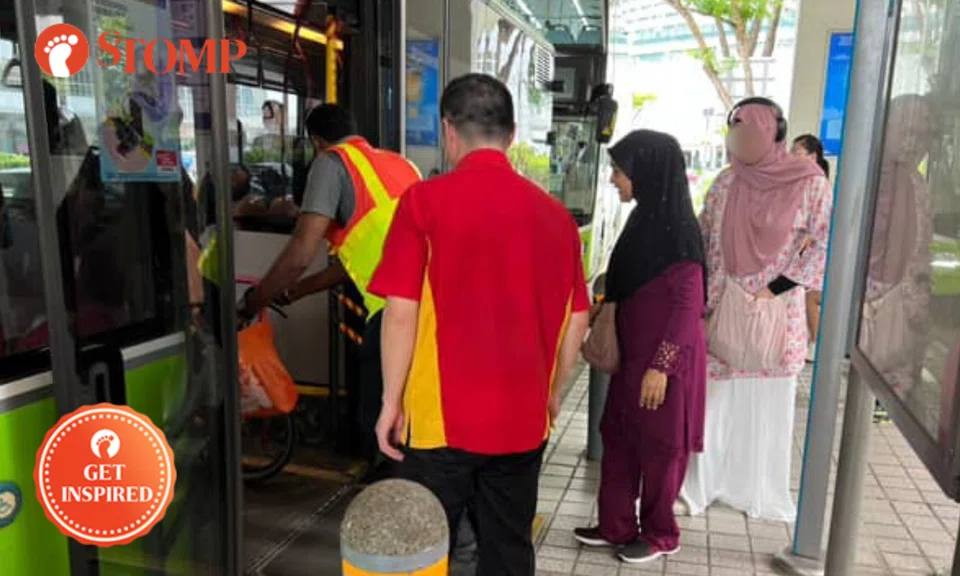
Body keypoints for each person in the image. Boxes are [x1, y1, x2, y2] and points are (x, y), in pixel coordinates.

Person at [368, 73, 590, 576]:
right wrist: (551, 394)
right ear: (512, 135)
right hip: (521, 422)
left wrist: (390, 403)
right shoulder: (557, 218)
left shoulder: (423, 203)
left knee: (421, 551)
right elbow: (577, 319)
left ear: (449, 130)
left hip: (438, 424)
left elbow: (400, 311)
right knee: (508, 551)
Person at [237, 103, 422, 469]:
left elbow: (300, 252)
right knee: (410, 419)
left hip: (390, 315)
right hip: (430, 309)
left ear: (317, 141)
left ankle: (392, 509)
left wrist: (254, 300)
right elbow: (361, 255)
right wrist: (300, 290)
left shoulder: (332, 163)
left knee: (379, 425)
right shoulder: (401, 165)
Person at [679, 97, 832, 522]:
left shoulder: (810, 183)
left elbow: (824, 242)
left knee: (768, 406)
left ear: (773, 133)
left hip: (777, 314)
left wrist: (775, 288)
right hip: (722, 307)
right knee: (713, 403)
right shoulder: (727, 182)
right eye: (735, 130)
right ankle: (704, 485)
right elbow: (704, 237)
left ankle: (758, 492)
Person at [572, 130, 707, 564]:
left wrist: (661, 366)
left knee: (661, 450)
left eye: (619, 171)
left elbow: (688, 307)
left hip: (663, 365)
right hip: (631, 360)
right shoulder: (643, 220)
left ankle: (661, 532)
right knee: (619, 436)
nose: (613, 179)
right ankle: (615, 525)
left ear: (648, 173)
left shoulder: (681, 235)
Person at [791, 134, 830, 361]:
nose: (792, 157)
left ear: (812, 157)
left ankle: (816, 344)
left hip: (818, 250)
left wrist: (808, 236)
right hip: (804, 251)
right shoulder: (801, 181)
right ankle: (810, 342)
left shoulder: (818, 182)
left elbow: (822, 220)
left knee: (810, 297)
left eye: (797, 153)